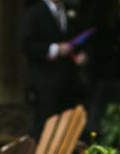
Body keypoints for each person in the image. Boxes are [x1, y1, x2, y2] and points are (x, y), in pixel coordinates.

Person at [20, 0, 87, 134]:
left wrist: (82, 55)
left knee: (70, 128)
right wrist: (55, 49)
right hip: (46, 82)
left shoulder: (71, 10)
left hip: (70, 81)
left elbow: (78, 39)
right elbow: (26, 46)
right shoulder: (34, 13)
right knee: (47, 128)